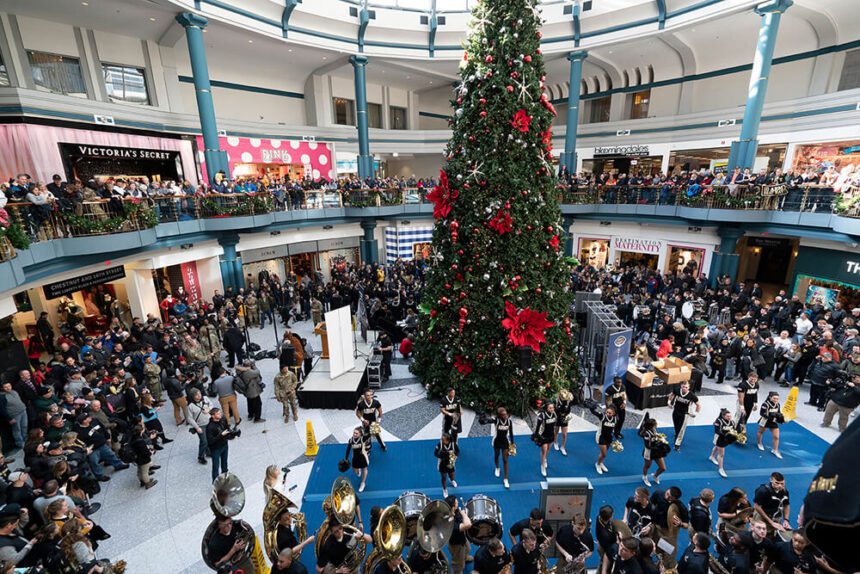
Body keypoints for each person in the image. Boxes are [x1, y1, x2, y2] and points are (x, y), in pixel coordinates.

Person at [483, 406, 514, 488]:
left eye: (506, 414)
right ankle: (497, 467)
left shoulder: (509, 422)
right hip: (497, 441)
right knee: (496, 456)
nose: (505, 416)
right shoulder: (496, 420)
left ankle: (506, 479)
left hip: (505, 442)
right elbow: (488, 421)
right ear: (500, 415)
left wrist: (512, 444)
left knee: (505, 460)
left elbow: (511, 433)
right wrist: (484, 418)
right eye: (503, 415)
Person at [753, 472, 791, 538]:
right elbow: (757, 506)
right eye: (777, 483)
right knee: (758, 535)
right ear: (771, 480)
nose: (780, 486)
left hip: (775, 516)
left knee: (772, 536)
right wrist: (771, 522)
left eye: (782, 483)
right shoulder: (762, 491)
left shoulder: (785, 491)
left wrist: (786, 520)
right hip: (762, 515)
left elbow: (786, 505)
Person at [667, 381, 699, 452]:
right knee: (676, 425)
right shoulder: (677, 390)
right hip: (676, 411)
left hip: (684, 414)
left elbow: (698, 405)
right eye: (683, 387)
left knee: (681, 429)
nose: (684, 388)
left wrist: (696, 413)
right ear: (681, 386)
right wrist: (669, 402)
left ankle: (677, 445)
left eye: (686, 387)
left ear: (689, 387)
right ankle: (676, 434)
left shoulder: (691, 395)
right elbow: (671, 395)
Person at [445, 495, 473, 574]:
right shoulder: (450, 523)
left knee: (467, 548)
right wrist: (464, 514)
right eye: (456, 503)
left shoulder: (453, 510)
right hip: (456, 545)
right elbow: (468, 525)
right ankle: (458, 571)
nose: (458, 504)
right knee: (458, 564)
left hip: (462, 538)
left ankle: (465, 557)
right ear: (452, 507)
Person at [639, 417, 668, 486]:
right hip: (649, 452)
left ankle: (655, 476)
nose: (657, 424)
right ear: (652, 425)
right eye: (655, 424)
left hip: (656, 451)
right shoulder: (647, 434)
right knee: (647, 466)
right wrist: (658, 445)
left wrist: (661, 440)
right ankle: (645, 477)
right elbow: (647, 446)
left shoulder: (654, 430)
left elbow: (656, 438)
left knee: (663, 468)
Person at [709, 409, 737, 478]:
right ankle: (721, 469)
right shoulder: (719, 421)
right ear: (723, 416)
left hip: (725, 439)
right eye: (728, 416)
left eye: (730, 416)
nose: (729, 417)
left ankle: (712, 456)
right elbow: (717, 431)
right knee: (721, 454)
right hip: (719, 439)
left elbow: (733, 430)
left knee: (716, 447)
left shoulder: (732, 422)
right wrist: (727, 435)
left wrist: (734, 435)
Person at [206, 408, 232, 483]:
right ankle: (215, 483)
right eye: (218, 413)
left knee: (225, 463)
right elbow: (210, 441)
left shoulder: (223, 420)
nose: (220, 414)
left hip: (224, 445)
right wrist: (221, 435)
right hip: (216, 449)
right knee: (216, 467)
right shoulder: (210, 427)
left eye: (220, 413)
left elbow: (227, 429)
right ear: (213, 416)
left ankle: (226, 477)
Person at [756, 391, 784, 458]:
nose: (776, 400)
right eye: (774, 398)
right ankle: (759, 443)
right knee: (761, 432)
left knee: (776, 437)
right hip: (765, 421)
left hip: (773, 422)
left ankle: (775, 450)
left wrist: (781, 418)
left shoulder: (778, 404)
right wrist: (771, 417)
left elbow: (778, 412)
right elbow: (762, 414)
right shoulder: (765, 404)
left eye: (777, 399)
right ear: (770, 397)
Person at [188, 388, 212, 465]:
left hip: (209, 422)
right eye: (196, 395)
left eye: (199, 393)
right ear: (193, 396)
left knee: (209, 439)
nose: (199, 395)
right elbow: (189, 418)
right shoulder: (190, 406)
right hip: (200, 426)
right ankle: (200, 457)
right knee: (204, 442)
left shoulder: (205, 398)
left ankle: (208, 452)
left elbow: (211, 404)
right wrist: (197, 427)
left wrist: (208, 409)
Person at [129, 424, 157, 489]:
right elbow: (145, 452)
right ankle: (147, 483)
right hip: (143, 459)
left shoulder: (133, 438)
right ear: (141, 431)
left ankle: (142, 481)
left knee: (140, 470)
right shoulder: (140, 441)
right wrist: (151, 452)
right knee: (145, 472)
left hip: (137, 458)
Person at [534, 402, 557, 477]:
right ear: (547, 408)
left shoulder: (554, 414)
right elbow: (538, 427)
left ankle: (544, 459)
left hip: (551, 435)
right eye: (550, 408)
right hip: (543, 436)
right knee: (544, 451)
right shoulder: (542, 415)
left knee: (548, 450)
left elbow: (555, 425)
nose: (552, 409)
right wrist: (536, 435)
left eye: (553, 408)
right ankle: (542, 466)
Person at [434, 433, 459, 498]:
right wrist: (442, 454)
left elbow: (458, 451)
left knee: (452, 474)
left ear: (448, 440)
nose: (441, 440)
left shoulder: (453, 444)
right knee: (444, 477)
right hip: (442, 463)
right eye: (441, 439)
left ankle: (452, 480)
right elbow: (435, 453)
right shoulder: (440, 444)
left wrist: (454, 456)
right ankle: (444, 489)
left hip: (451, 461)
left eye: (443, 439)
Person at [345, 427, 369, 493]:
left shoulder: (362, 439)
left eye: (356, 433)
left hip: (363, 457)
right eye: (354, 433)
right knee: (355, 470)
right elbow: (348, 449)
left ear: (360, 434)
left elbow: (369, 434)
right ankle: (358, 471)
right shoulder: (351, 440)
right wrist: (346, 458)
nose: (355, 434)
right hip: (355, 458)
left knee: (364, 469)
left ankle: (363, 483)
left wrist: (368, 426)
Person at [595, 405, 617, 475]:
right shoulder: (603, 417)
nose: (608, 414)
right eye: (607, 412)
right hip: (601, 437)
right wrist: (592, 407)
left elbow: (613, 429)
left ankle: (601, 463)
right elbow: (594, 413)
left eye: (610, 413)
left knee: (603, 453)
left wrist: (613, 439)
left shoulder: (615, 419)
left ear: (613, 413)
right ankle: (597, 464)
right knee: (604, 454)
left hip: (609, 438)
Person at [554, 390, 573, 456]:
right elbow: (555, 410)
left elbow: (569, 410)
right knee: (556, 431)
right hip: (557, 418)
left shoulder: (568, 400)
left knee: (564, 434)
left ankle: (562, 447)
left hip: (564, 418)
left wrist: (566, 415)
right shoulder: (556, 401)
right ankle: (555, 442)